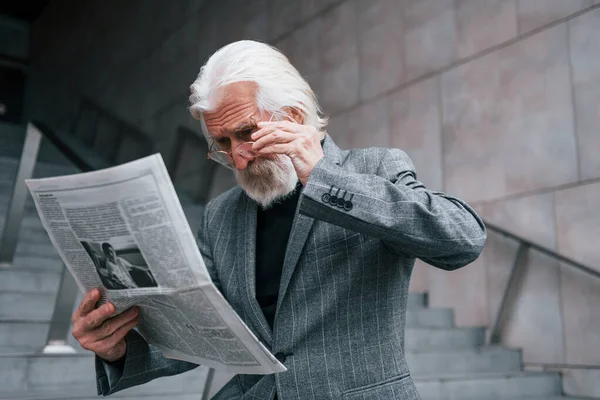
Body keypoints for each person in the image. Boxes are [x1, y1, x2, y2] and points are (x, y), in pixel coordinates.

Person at [71, 40, 486, 399]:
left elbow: (463, 238)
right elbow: (211, 335)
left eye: (246, 133)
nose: (238, 156)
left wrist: (322, 178)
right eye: (223, 143)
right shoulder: (221, 215)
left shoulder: (374, 169)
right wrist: (118, 350)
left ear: (291, 116)